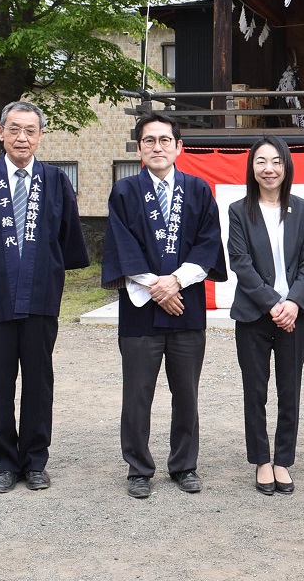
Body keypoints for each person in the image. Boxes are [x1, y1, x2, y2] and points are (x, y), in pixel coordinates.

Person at [0, 101, 89, 494]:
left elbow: (67, 240)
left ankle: (36, 460)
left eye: (30, 130)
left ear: (40, 136)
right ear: (0, 132)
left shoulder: (56, 181)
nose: (22, 137)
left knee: (40, 381)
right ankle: (6, 461)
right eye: (15, 129)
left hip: (40, 297)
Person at [101, 112, 227, 499]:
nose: (158, 147)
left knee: (186, 392)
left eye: (165, 140)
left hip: (186, 307)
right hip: (140, 309)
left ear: (179, 147)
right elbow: (122, 244)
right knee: (137, 392)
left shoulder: (199, 189)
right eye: (149, 140)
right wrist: (156, 287)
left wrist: (176, 282)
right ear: (139, 148)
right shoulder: (124, 192)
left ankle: (184, 465)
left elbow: (207, 241)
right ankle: (138, 468)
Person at [227, 137, 304, 496]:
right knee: (256, 390)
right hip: (254, 313)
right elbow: (240, 263)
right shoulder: (239, 210)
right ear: (252, 167)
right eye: (261, 162)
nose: (269, 169)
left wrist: (294, 302)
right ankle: (262, 460)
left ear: (286, 166)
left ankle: (283, 460)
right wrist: (272, 304)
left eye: (276, 161)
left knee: (289, 390)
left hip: (294, 313)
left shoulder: (302, 207)